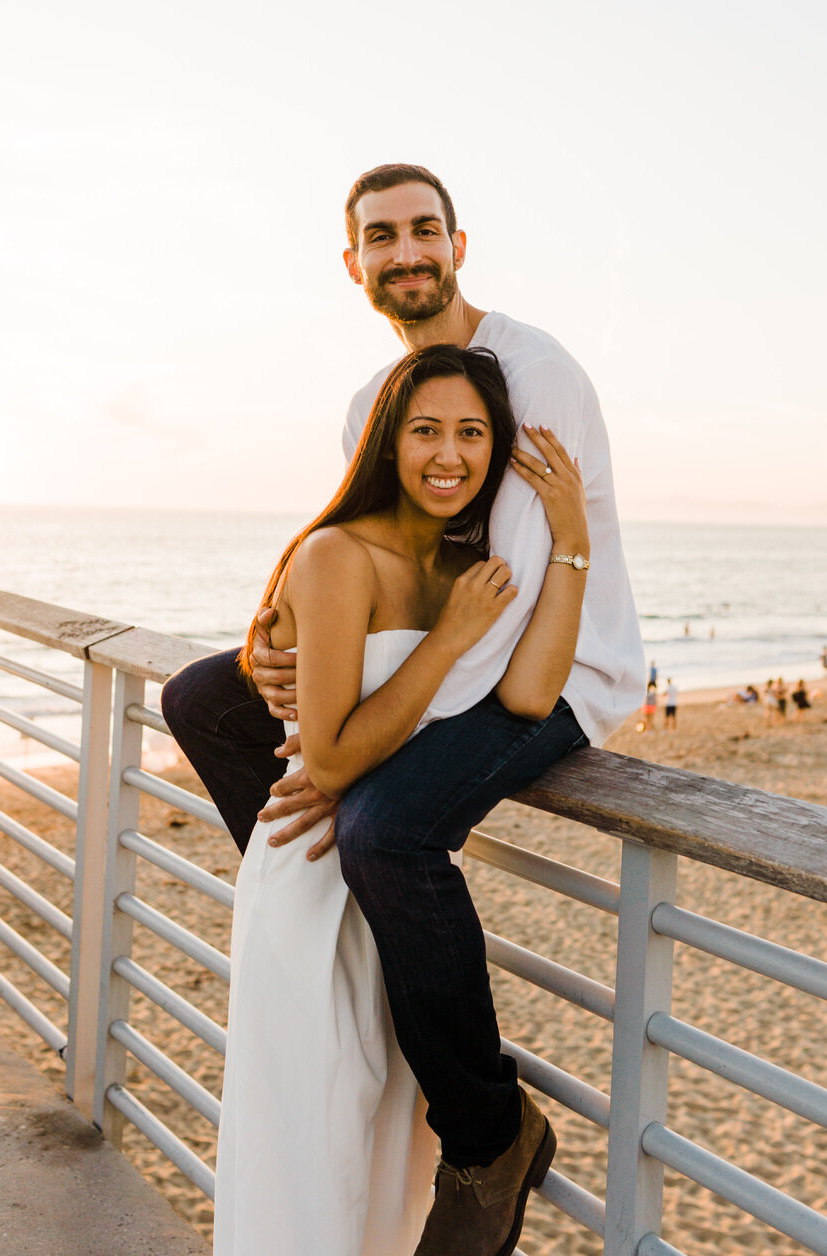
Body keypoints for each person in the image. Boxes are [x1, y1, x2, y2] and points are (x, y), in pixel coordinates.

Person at [160, 164, 644, 1256]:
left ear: (458, 245)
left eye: (423, 230)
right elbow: (378, 545)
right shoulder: (367, 403)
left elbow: (508, 626)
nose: (405, 252)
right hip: (451, 648)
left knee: (383, 826)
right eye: (382, 237)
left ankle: (486, 1135)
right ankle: (350, 923)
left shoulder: (536, 377)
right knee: (202, 698)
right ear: (355, 264)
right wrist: (287, 642)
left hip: (554, 663)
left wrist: (350, 750)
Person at [212, 343, 589, 1256]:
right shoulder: (338, 553)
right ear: (388, 440)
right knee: (309, 1148)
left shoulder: (474, 558)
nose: (447, 456)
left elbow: (533, 697)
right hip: (310, 885)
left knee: (385, 1153)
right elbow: (334, 760)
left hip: (386, 900)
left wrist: (574, 535)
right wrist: (451, 634)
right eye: (425, 431)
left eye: (471, 433)